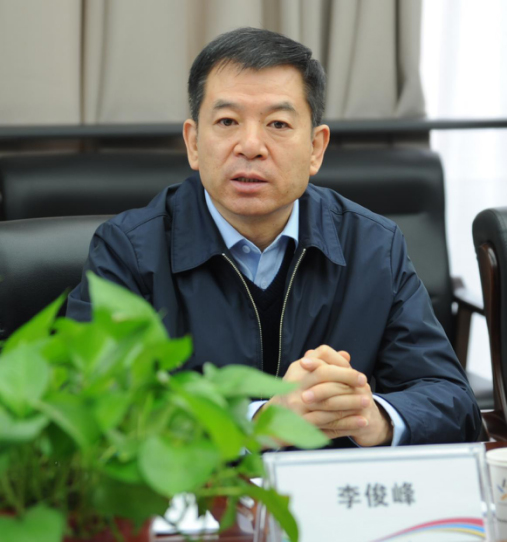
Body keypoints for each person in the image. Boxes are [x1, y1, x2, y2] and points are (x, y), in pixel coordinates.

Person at [67, 27, 481, 448]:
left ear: (316, 148)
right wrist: (261, 423)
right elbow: (91, 409)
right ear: (193, 142)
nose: (250, 146)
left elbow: (452, 401)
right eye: (227, 122)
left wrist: (373, 418)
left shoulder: (373, 245)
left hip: (329, 487)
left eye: (278, 124)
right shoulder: (128, 251)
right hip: (201, 489)